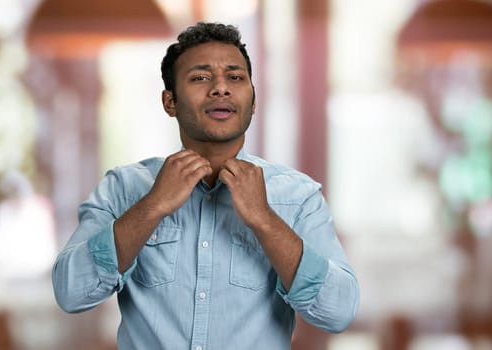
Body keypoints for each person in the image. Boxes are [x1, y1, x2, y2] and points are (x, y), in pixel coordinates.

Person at [52, 22, 359, 350]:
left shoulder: (298, 197)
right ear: (169, 102)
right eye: (200, 77)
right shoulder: (123, 188)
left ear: (253, 101)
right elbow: (72, 293)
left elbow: (338, 311)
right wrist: (152, 206)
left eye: (236, 77)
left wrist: (264, 219)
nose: (220, 88)